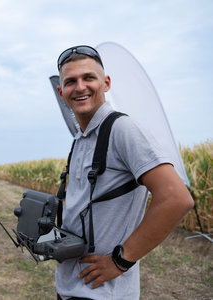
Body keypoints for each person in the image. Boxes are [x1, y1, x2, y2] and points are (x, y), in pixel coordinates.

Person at [54, 45, 194, 300]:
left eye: (89, 78)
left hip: (103, 293)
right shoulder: (80, 137)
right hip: (70, 286)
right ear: (61, 92)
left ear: (106, 83)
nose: (80, 87)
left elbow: (176, 198)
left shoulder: (123, 129)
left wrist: (120, 261)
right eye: (71, 81)